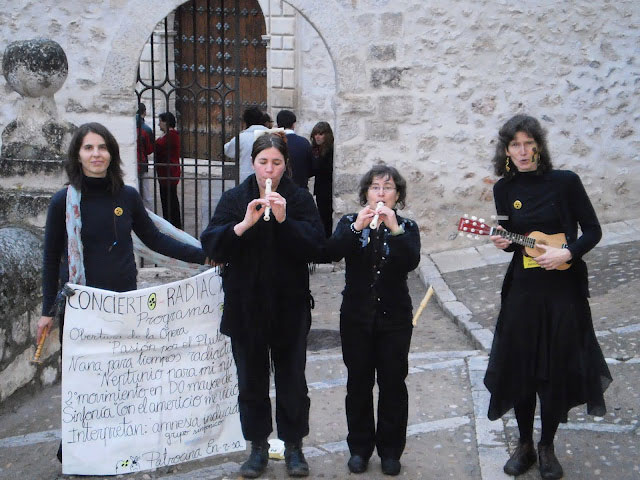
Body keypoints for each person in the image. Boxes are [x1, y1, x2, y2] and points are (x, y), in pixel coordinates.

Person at [36, 122, 207, 462]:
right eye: (88, 148)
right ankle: (75, 448)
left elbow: (155, 239)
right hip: (83, 307)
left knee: (122, 378)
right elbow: (51, 256)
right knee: (85, 381)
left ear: (112, 153)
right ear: (78, 155)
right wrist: (46, 310)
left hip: (125, 303)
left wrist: (206, 254)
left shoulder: (126, 196)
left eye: (102, 147)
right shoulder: (62, 202)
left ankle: (116, 443)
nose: (96, 154)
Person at [483, 115, 612, 479]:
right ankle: (524, 444)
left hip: (562, 290)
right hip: (523, 291)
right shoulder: (504, 189)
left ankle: (547, 446)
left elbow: (593, 230)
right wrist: (502, 241)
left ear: (538, 144)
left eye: (528, 143)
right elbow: (511, 242)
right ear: (506, 151)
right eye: (514, 145)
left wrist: (568, 253)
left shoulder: (565, 182)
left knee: (554, 369)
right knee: (522, 367)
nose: (522, 152)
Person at [200, 132, 325, 478]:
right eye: (263, 162)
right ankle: (257, 446)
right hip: (245, 308)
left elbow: (317, 246)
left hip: (289, 307)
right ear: (252, 163)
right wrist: (242, 226)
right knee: (250, 382)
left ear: (286, 165)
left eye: (277, 163)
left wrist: (285, 222)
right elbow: (211, 244)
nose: (269, 170)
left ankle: (293, 445)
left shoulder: (299, 199)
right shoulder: (234, 197)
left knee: (292, 381)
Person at [318, 164, 420, 476]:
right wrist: (355, 229)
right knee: (358, 384)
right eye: (375, 187)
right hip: (356, 318)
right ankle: (359, 449)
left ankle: (390, 451)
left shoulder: (407, 227)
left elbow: (411, 259)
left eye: (388, 188)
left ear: (397, 195)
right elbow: (331, 253)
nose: (381, 193)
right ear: (365, 193)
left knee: (392, 384)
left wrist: (395, 229)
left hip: (395, 319)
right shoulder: (350, 222)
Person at [224, 106, 268, 182]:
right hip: (267, 176)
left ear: (245, 121)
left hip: (246, 177)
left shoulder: (241, 137)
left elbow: (228, 151)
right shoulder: (272, 134)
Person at [155, 112, 182, 229]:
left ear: (166, 122)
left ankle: (173, 225)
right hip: (165, 173)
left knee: (170, 201)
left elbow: (157, 146)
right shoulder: (168, 135)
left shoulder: (171, 136)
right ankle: (171, 223)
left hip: (169, 173)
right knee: (168, 200)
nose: (158, 124)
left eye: (160, 121)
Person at [276, 110, 313, 190]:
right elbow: (311, 168)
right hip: (300, 189)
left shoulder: (274, 142)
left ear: (278, 125)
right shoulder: (304, 142)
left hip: (279, 191)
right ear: (293, 124)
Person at [309, 121, 334, 237]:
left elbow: (323, 169)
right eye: (316, 134)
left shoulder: (329, 151)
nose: (317, 137)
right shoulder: (315, 150)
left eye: (321, 134)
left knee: (326, 217)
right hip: (320, 189)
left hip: (327, 189)